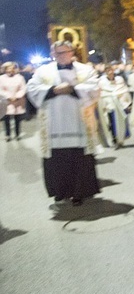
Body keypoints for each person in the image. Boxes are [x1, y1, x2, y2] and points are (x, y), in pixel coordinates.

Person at [27, 40, 101, 206]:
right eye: (58, 53)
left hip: (79, 123)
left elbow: (95, 88)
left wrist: (73, 89)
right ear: (53, 54)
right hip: (54, 125)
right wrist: (53, 90)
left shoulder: (85, 69)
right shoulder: (42, 71)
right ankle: (59, 192)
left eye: (65, 52)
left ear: (71, 52)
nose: (61, 56)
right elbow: (31, 89)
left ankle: (79, 193)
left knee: (79, 159)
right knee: (57, 161)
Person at [97, 63, 132, 148]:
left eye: (111, 70)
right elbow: (102, 93)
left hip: (120, 104)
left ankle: (121, 139)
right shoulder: (102, 82)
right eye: (107, 70)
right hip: (109, 105)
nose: (110, 72)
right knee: (112, 123)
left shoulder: (119, 79)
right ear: (105, 72)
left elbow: (124, 90)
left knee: (122, 122)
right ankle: (115, 139)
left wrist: (127, 103)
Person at [0, 62, 27, 141]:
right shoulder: (1, 78)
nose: (11, 70)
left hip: (17, 101)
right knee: (6, 119)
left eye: (12, 68)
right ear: (5, 69)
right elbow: (0, 90)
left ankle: (17, 134)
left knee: (17, 119)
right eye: (8, 68)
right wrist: (8, 96)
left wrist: (17, 96)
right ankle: (8, 135)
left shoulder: (20, 77)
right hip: (6, 101)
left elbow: (23, 88)